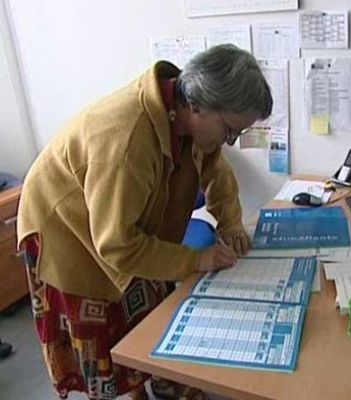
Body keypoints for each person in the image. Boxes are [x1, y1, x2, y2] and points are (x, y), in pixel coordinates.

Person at [16, 44, 272, 400]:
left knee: (150, 308)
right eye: (229, 129)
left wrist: (230, 222)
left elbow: (216, 167)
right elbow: (117, 245)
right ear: (197, 106)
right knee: (104, 332)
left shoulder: (185, 112)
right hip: (65, 227)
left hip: (121, 222)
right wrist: (196, 259)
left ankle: (158, 382)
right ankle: (129, 392)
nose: (229, 141)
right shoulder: (126, 140)